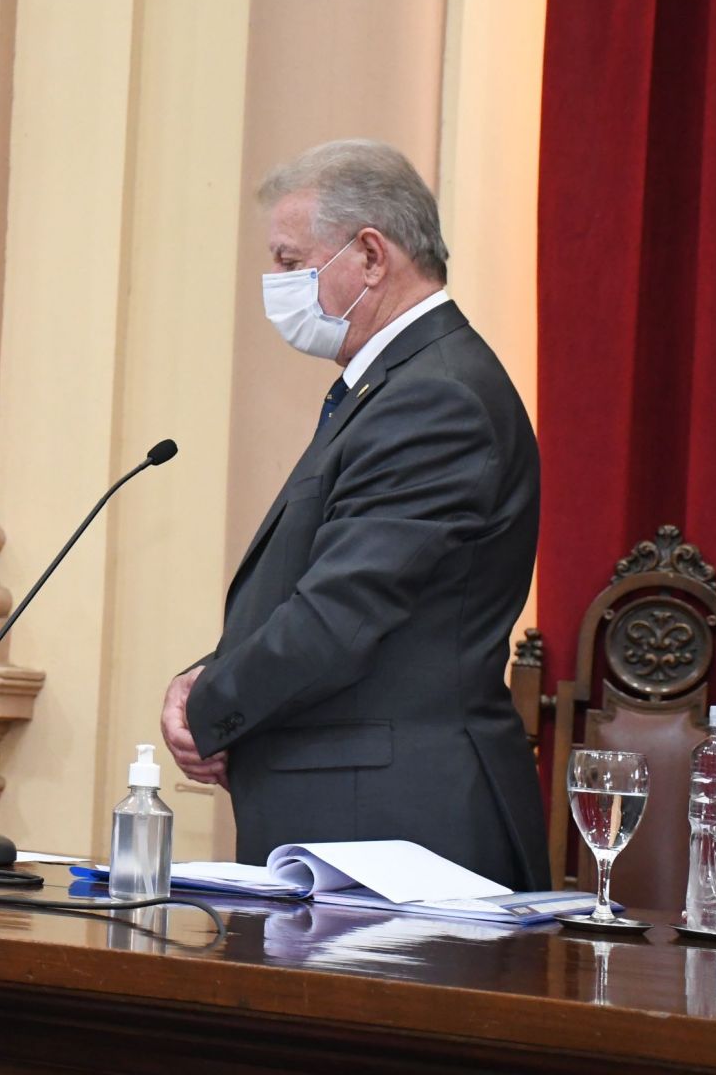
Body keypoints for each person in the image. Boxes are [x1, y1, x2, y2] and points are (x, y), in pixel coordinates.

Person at [160, 139, 550, 891]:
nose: (276, 284)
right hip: (357, 826)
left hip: (398, 834)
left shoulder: (435, 397)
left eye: (289, 261)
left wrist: (207, 707)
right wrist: (212, 673)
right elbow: (321, 586)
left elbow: (339, 617)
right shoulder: (394, 387)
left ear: (370, 256)